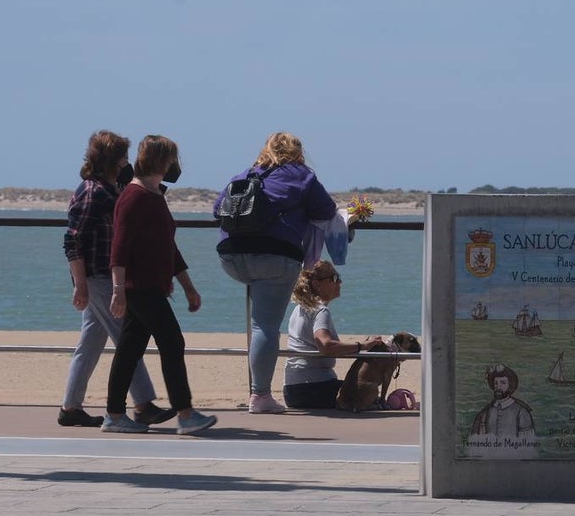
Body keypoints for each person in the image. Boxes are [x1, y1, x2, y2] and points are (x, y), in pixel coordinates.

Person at [59, 130, 175, 428]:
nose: (128, 162)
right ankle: (143, 403)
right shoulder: (92, 192)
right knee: (129, 338)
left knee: (91, 343)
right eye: (123, 156)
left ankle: (71, 407)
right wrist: (81, 284)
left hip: (100, 275)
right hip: (98, 276)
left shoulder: (112, 189)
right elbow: (73, 241)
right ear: (112, 160)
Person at [214, 132, 337, 414]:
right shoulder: (302, 175)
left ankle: (259, 391)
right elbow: (326, 209)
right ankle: (260, 396)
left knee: (258, 321)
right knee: (265, 327)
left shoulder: (245, 174)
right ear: (298, 152)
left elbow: (216, 209)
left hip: (231, 256)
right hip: (275, 257)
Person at [105, 135, 218, 435]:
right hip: (139, 287)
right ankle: (185, 413)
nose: (174, 165)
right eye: (170, 159)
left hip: (154, 286)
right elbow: (119, 248)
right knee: (172, 341)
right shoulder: (133, 197)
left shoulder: (155, 195)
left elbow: (169, 247)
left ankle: (114, 415)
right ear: (159, 160)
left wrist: (188, 286)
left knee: (129, 349)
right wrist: (118, 291)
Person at [282, 261, 384, 409]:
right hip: (314, 389)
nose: (340, 282)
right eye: (334, 278)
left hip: (292, 392)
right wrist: (362, 346)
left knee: (366, 394)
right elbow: (326, 345)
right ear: (317, 284)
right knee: (368, 395)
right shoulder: (320, 311)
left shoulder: (299, 309)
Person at [471, 364, 535, 438]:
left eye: (503, 383)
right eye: (496, 383)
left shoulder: (521, 412)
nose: (498, 387)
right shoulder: (485, 412)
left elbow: (528, 444)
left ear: (510, 385)